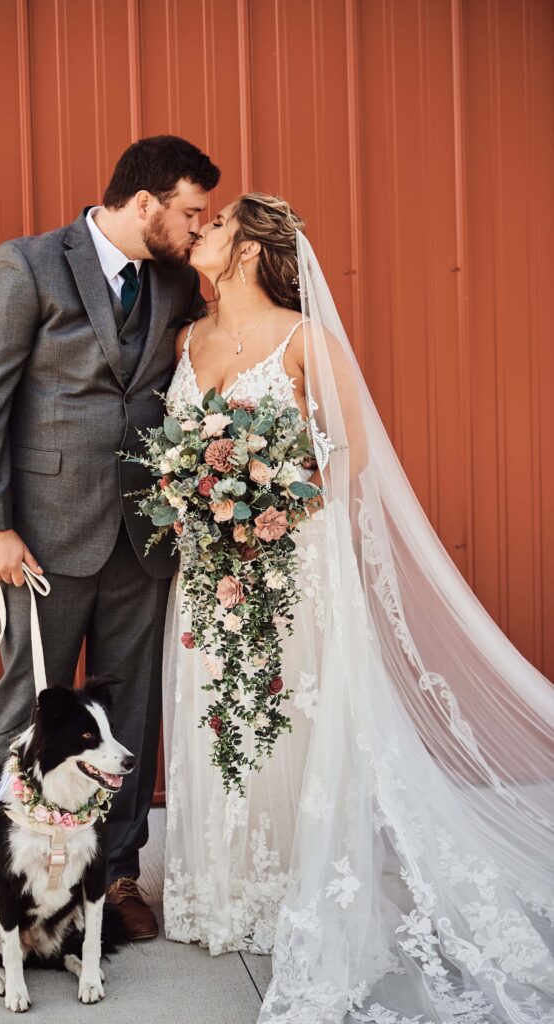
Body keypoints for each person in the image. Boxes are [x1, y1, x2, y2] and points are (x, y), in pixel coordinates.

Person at [162, 193, 554, 1022]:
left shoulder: (308, 342)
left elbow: (352, 456)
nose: (201, 230)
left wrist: (269, 511)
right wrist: (200, 503)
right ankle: (223, 893)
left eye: (218, 224)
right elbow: (179, 456)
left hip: (291, 565)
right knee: (219, 718)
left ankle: (298, 886)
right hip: (205, 572)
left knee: (296, 719)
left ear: (251, 249)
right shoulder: (185, 340)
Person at [0, 135, 220, 947]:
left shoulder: (176, 281)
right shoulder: (28, 266)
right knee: (32, 709)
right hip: (43, 539)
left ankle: (116, 874)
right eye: (191, 213)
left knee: (128, 714)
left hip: (146, 538)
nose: (199, 230)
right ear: (145, 204)